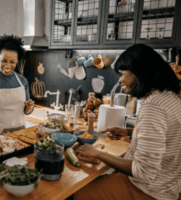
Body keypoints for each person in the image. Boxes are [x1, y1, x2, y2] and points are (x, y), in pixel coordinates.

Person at [74, 44, 181, 200]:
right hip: (167, 188)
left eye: (123, 73)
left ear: (140, 73)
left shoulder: (153, 107)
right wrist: (131, 132)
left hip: (146, 191)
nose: (120, 80)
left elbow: (143, 171)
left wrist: (97, 153)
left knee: (79, 193)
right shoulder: (171, 98)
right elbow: (166, 137)